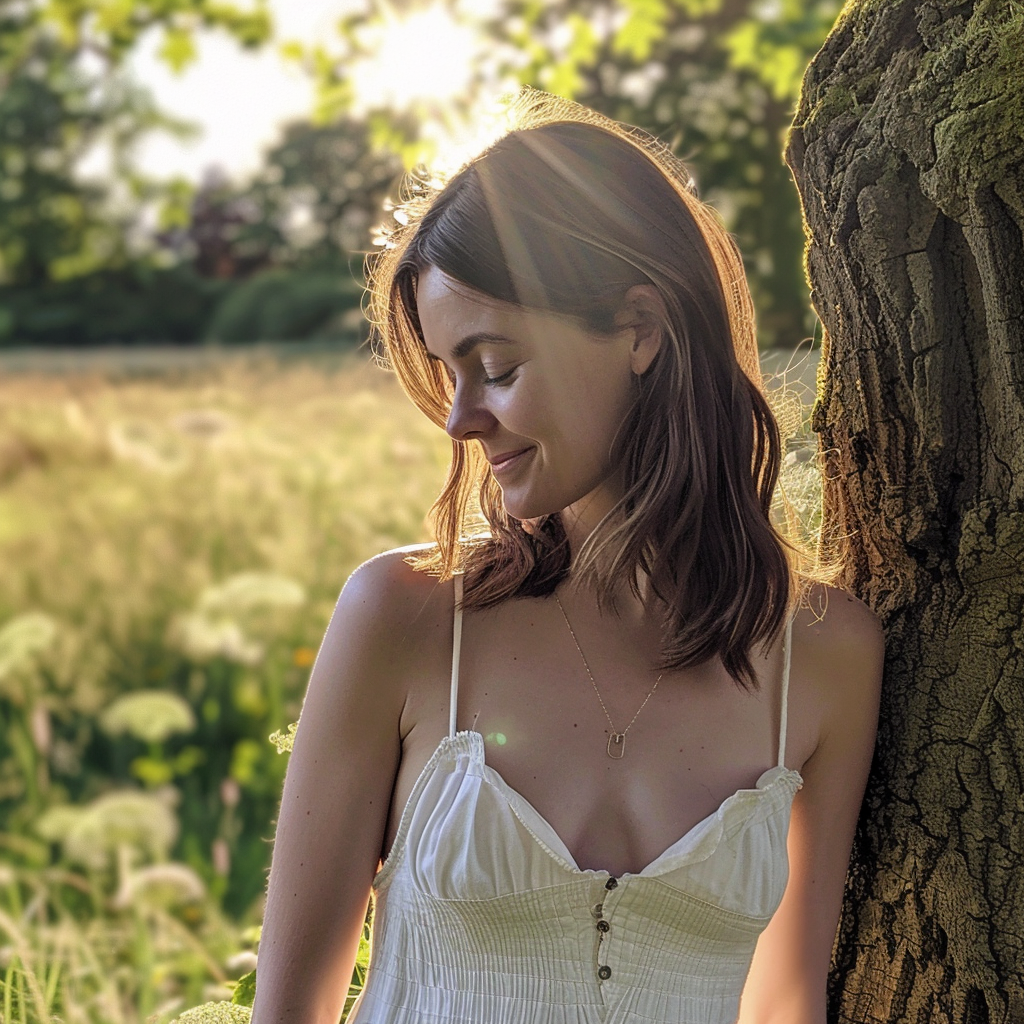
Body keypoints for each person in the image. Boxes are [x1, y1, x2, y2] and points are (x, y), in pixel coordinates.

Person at [251, 90, 883, 1024]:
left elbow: (790, 1004)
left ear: (639, 329)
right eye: (448, 372)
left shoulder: (827, 655)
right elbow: (288, 1013)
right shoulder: (410, 617)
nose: (461, 420)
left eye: (496, 366)